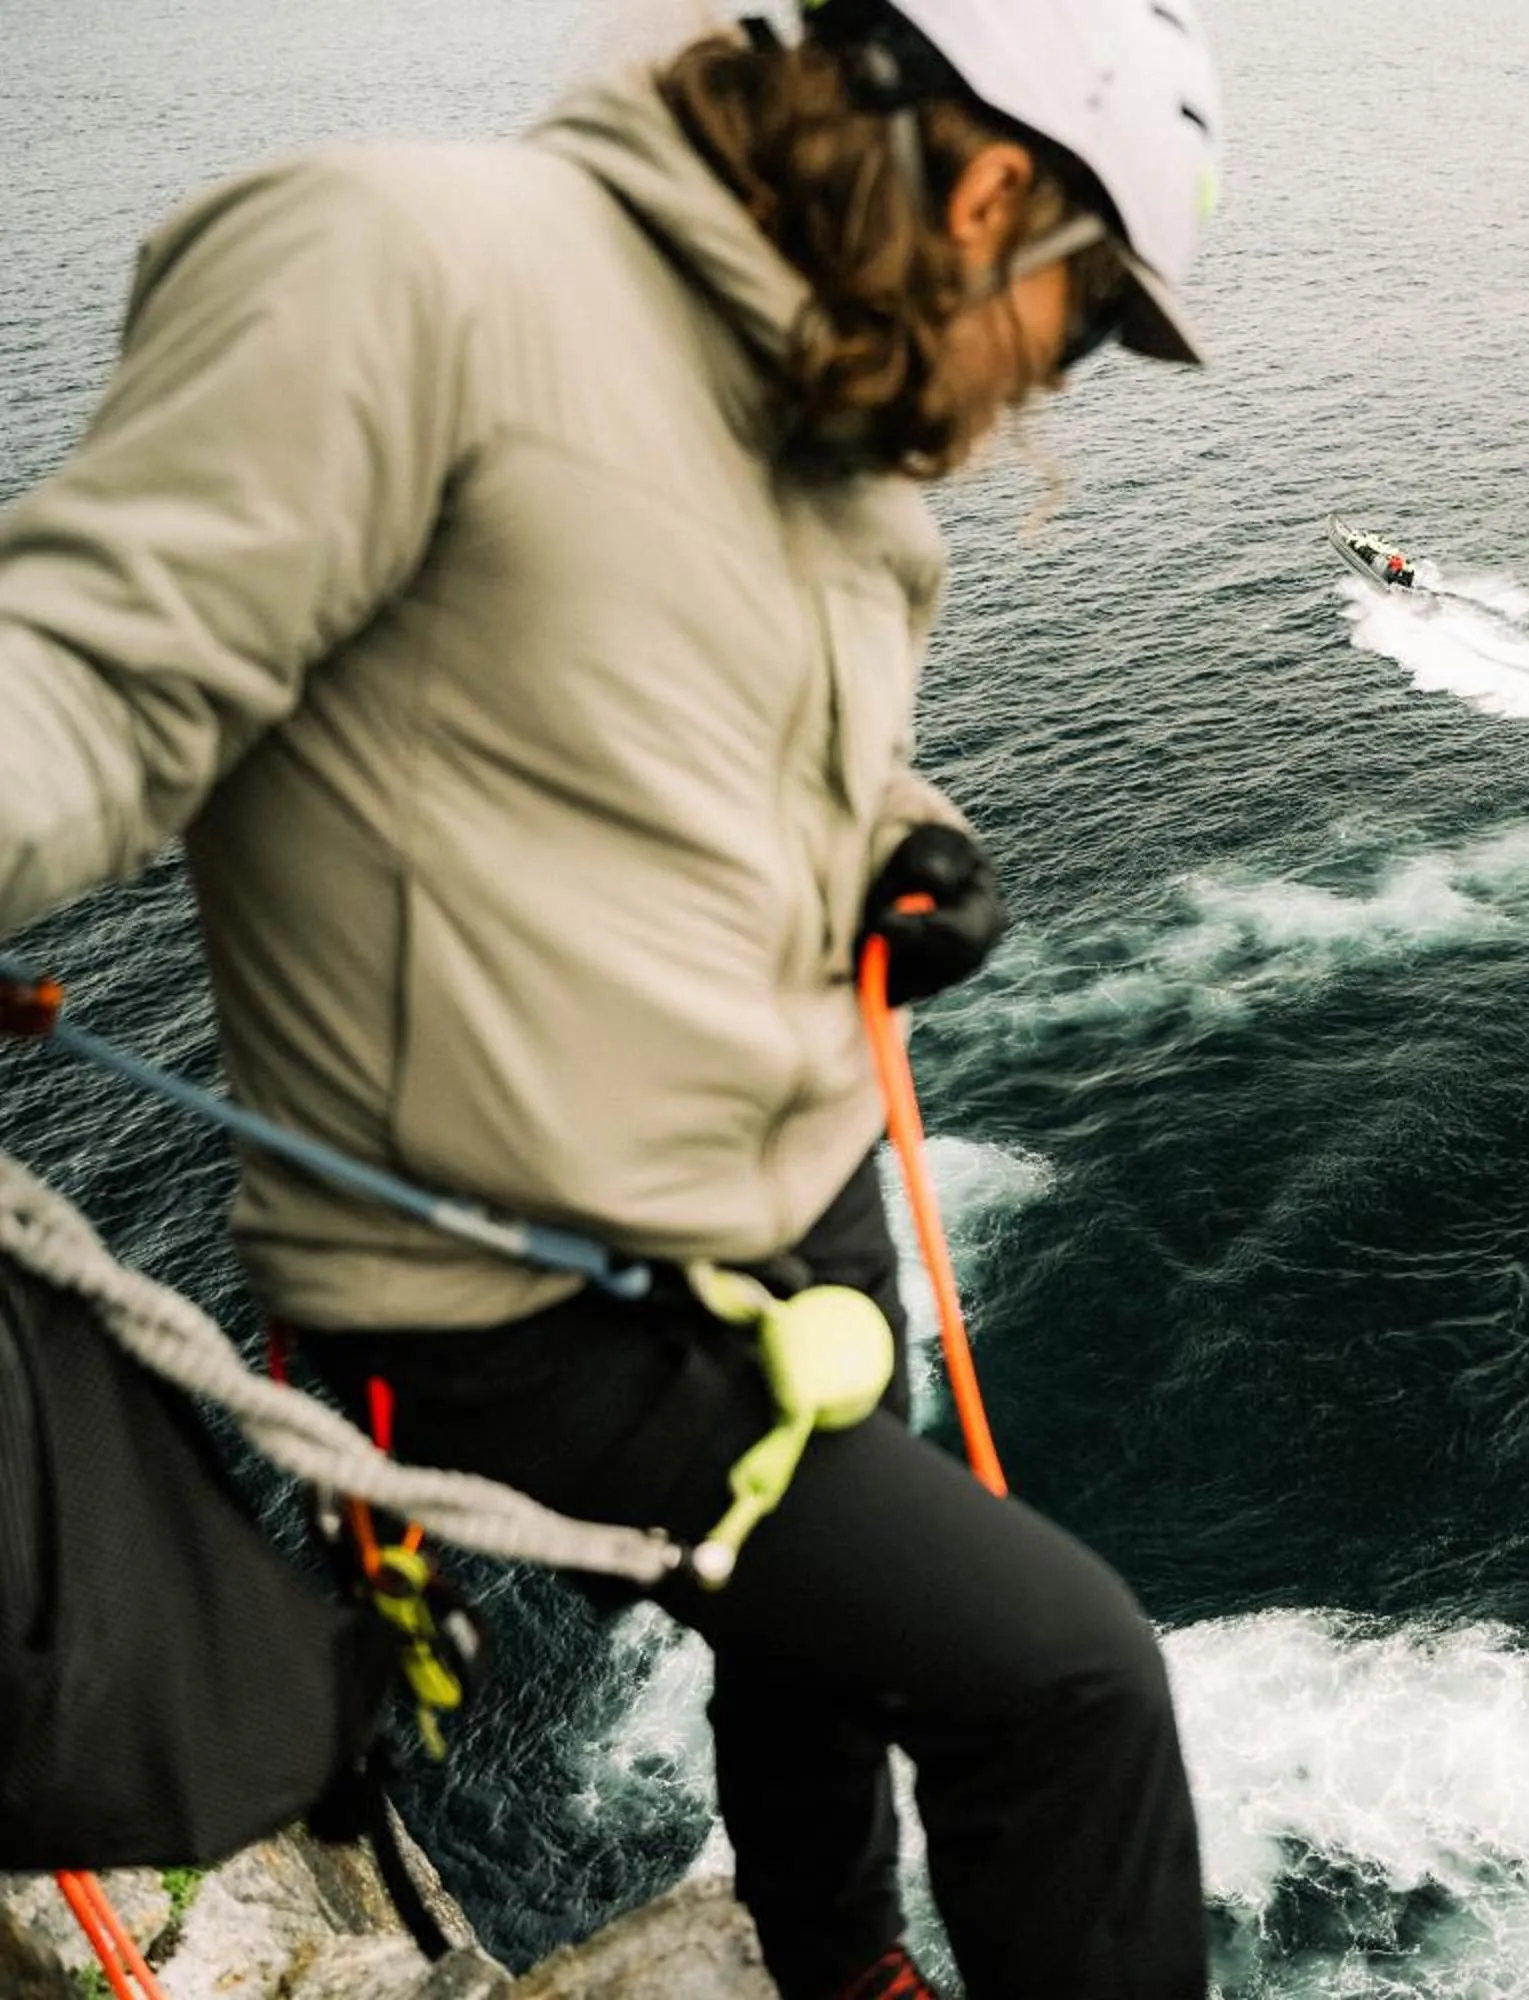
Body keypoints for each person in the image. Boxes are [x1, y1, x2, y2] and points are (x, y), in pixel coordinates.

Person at [0, 3, 1221, 1996]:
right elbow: (91, 673)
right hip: (520, 1293)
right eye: (1080, 324)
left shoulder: (826, 434)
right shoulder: (416, 269)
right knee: (1068, 1684)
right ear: (995, 192)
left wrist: (895, 842)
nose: (1042, 397)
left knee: (822, 1641)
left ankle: (834, 1963)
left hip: (786, 1209)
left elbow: (654, 732)